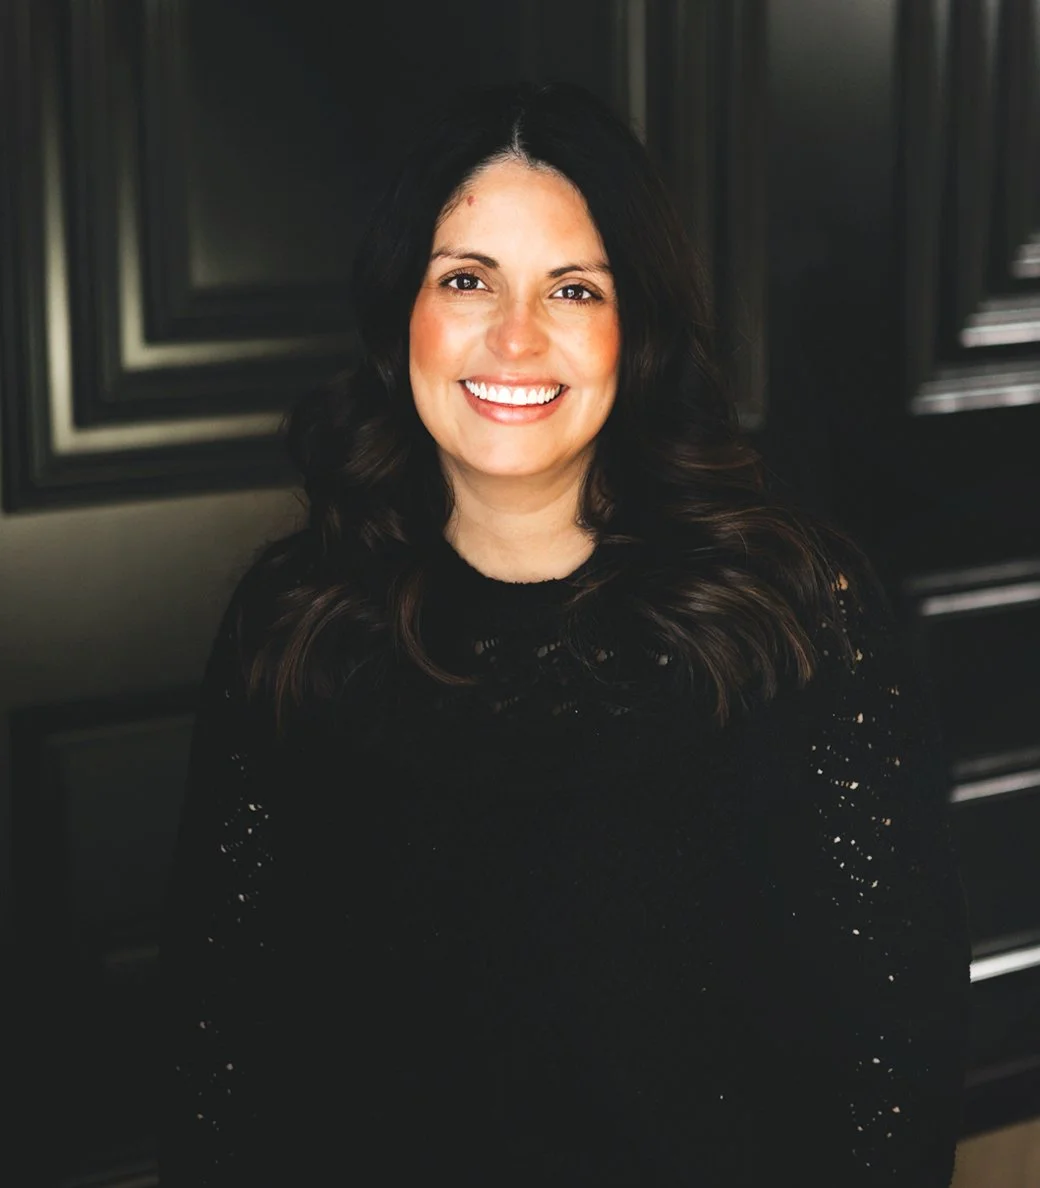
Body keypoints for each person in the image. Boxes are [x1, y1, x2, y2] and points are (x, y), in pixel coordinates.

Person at [157, 80, 972, 1185]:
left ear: (631, 326)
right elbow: (220, 1023)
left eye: (572, 288)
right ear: (401, 312)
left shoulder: (790, 610)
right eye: (464, 280)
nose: (514, 336)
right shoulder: (295, 621)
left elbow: (896, 1036)